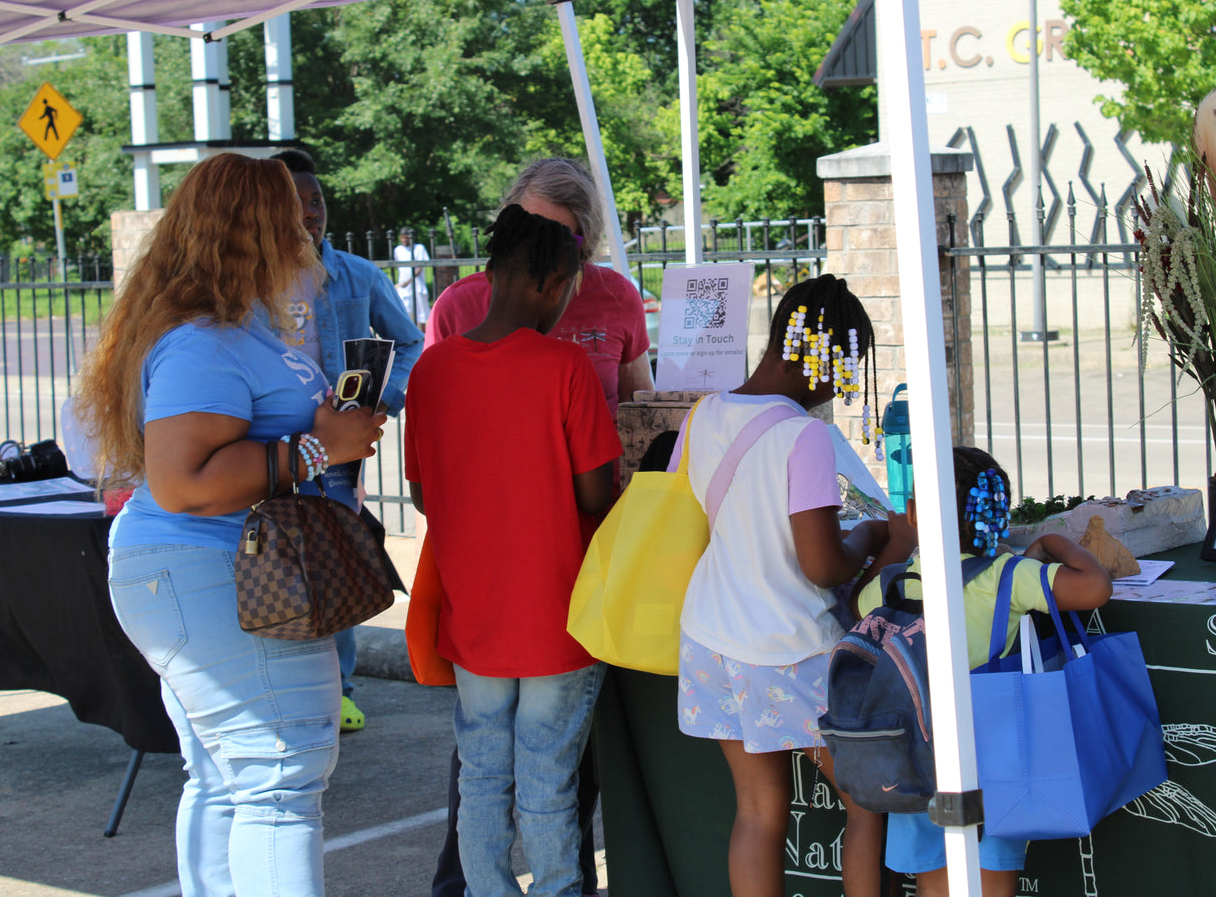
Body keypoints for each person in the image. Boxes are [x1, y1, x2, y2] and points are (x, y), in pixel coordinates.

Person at [74, 152, 386, 896]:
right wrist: (318, 447)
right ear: (254, 231)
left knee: (229, 776)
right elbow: (181, 483)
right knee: (282, 773)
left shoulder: (228, 329)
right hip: (213, 571)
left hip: (214, 571)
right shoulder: (204, 342)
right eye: (291, 214)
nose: (308, 228)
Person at [426, 157, 648, 897]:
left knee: (483, 777)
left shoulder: (432, 372)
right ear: (557, 285)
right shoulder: (565, 369)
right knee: (549, 781)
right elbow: (595, 493)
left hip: (474, 616)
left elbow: (426, 493)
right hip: (558, 615)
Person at [671, 274, 892, 897]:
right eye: (845, 370)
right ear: (826, 358)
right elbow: (822, 565)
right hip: (788, 644)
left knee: (759, 809)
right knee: (865, 800)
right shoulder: (805, 436)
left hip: (711, 636)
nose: (838, 388)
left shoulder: (706, 412)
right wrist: (870, 537)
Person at [857, 446, 1114, 897]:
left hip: (912, 752)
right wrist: (1053, 542)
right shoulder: (1010, 576)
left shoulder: (887, 585)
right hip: (995, 752)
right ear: (997, 512)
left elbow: (858, 610)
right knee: (992, 875)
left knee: (933, 878)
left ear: (914, 513)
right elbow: (1095, 587)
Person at [269, 148, 425, 734]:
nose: (311, 213)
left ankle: (339, 690)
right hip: (276, 446)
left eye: (318, 201)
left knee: (335, 560)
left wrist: (385, 399)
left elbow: (409, 343)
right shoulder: (254, 286)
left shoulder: (360, 275)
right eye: (295, 202)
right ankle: (284, 683)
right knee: (279, 562)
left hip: (337, 458)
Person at [426, 157, 654, 411]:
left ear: (584, 245)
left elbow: (640, 413)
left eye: (558, 241)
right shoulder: (456, 305)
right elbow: (431, 417)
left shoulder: (617, 297)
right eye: (528, 233)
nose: (539, 253)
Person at [394, 227, 432, 324]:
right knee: (405, 311)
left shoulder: (419, 248)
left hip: (417, 285)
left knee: (421, 314)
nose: (404, 240)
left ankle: (423, 336)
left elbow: (419, 268)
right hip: (404, 287)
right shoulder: (398, 250)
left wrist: (407, 282)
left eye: (406, 237)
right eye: (402, 237)